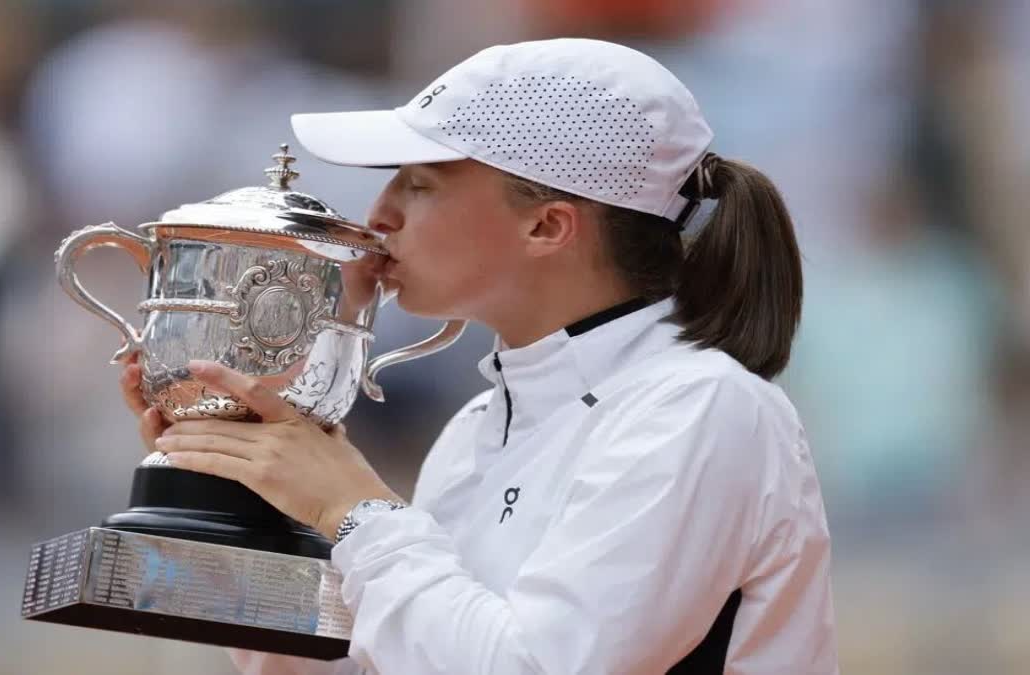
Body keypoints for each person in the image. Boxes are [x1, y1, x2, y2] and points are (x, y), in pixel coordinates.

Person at [120, 38, 838, 674]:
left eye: (420, 182)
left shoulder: (702, 407)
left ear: (547, 226)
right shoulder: (477, 428)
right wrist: (260, 495)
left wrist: (355, 511)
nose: (378, 214)